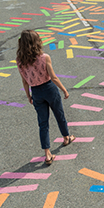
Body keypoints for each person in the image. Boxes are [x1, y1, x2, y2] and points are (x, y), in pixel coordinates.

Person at [16, 30, 75, 165]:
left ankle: (47, 153)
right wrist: (64, 89)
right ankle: (66, 137)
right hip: (49, 89)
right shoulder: (44, 57)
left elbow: (24, 81)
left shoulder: (20, 61)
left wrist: (28, 96)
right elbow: (53, 77)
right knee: (59, 114)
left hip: (36, 92)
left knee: (43, 123)